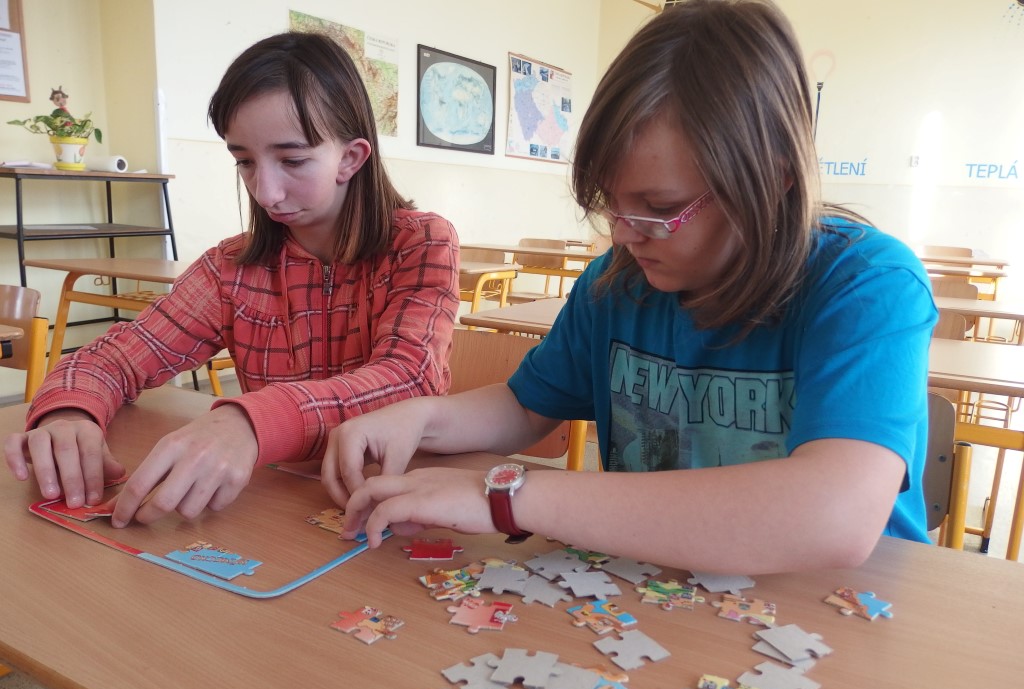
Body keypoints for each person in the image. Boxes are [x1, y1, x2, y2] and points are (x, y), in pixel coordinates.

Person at [323, 0, 937, 576]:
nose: (622, 234)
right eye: (611, 203)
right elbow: (525, 407)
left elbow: (834, 515)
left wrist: (506, 496)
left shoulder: (867, 286)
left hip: (836, 613)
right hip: (655, 595)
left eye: (659, 208)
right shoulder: (616, 286)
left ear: (773, 178)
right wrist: (423, 418)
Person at [4, 32, 459, 530]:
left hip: (392, 507)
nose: (265, 191)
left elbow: (409, 379)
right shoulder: (231, 267)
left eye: (293, 160)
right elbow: (114, 357)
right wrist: (69, 413)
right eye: (244, 161)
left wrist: (251, 421)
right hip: (275, 505)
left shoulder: (420, 241)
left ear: (350, 158)